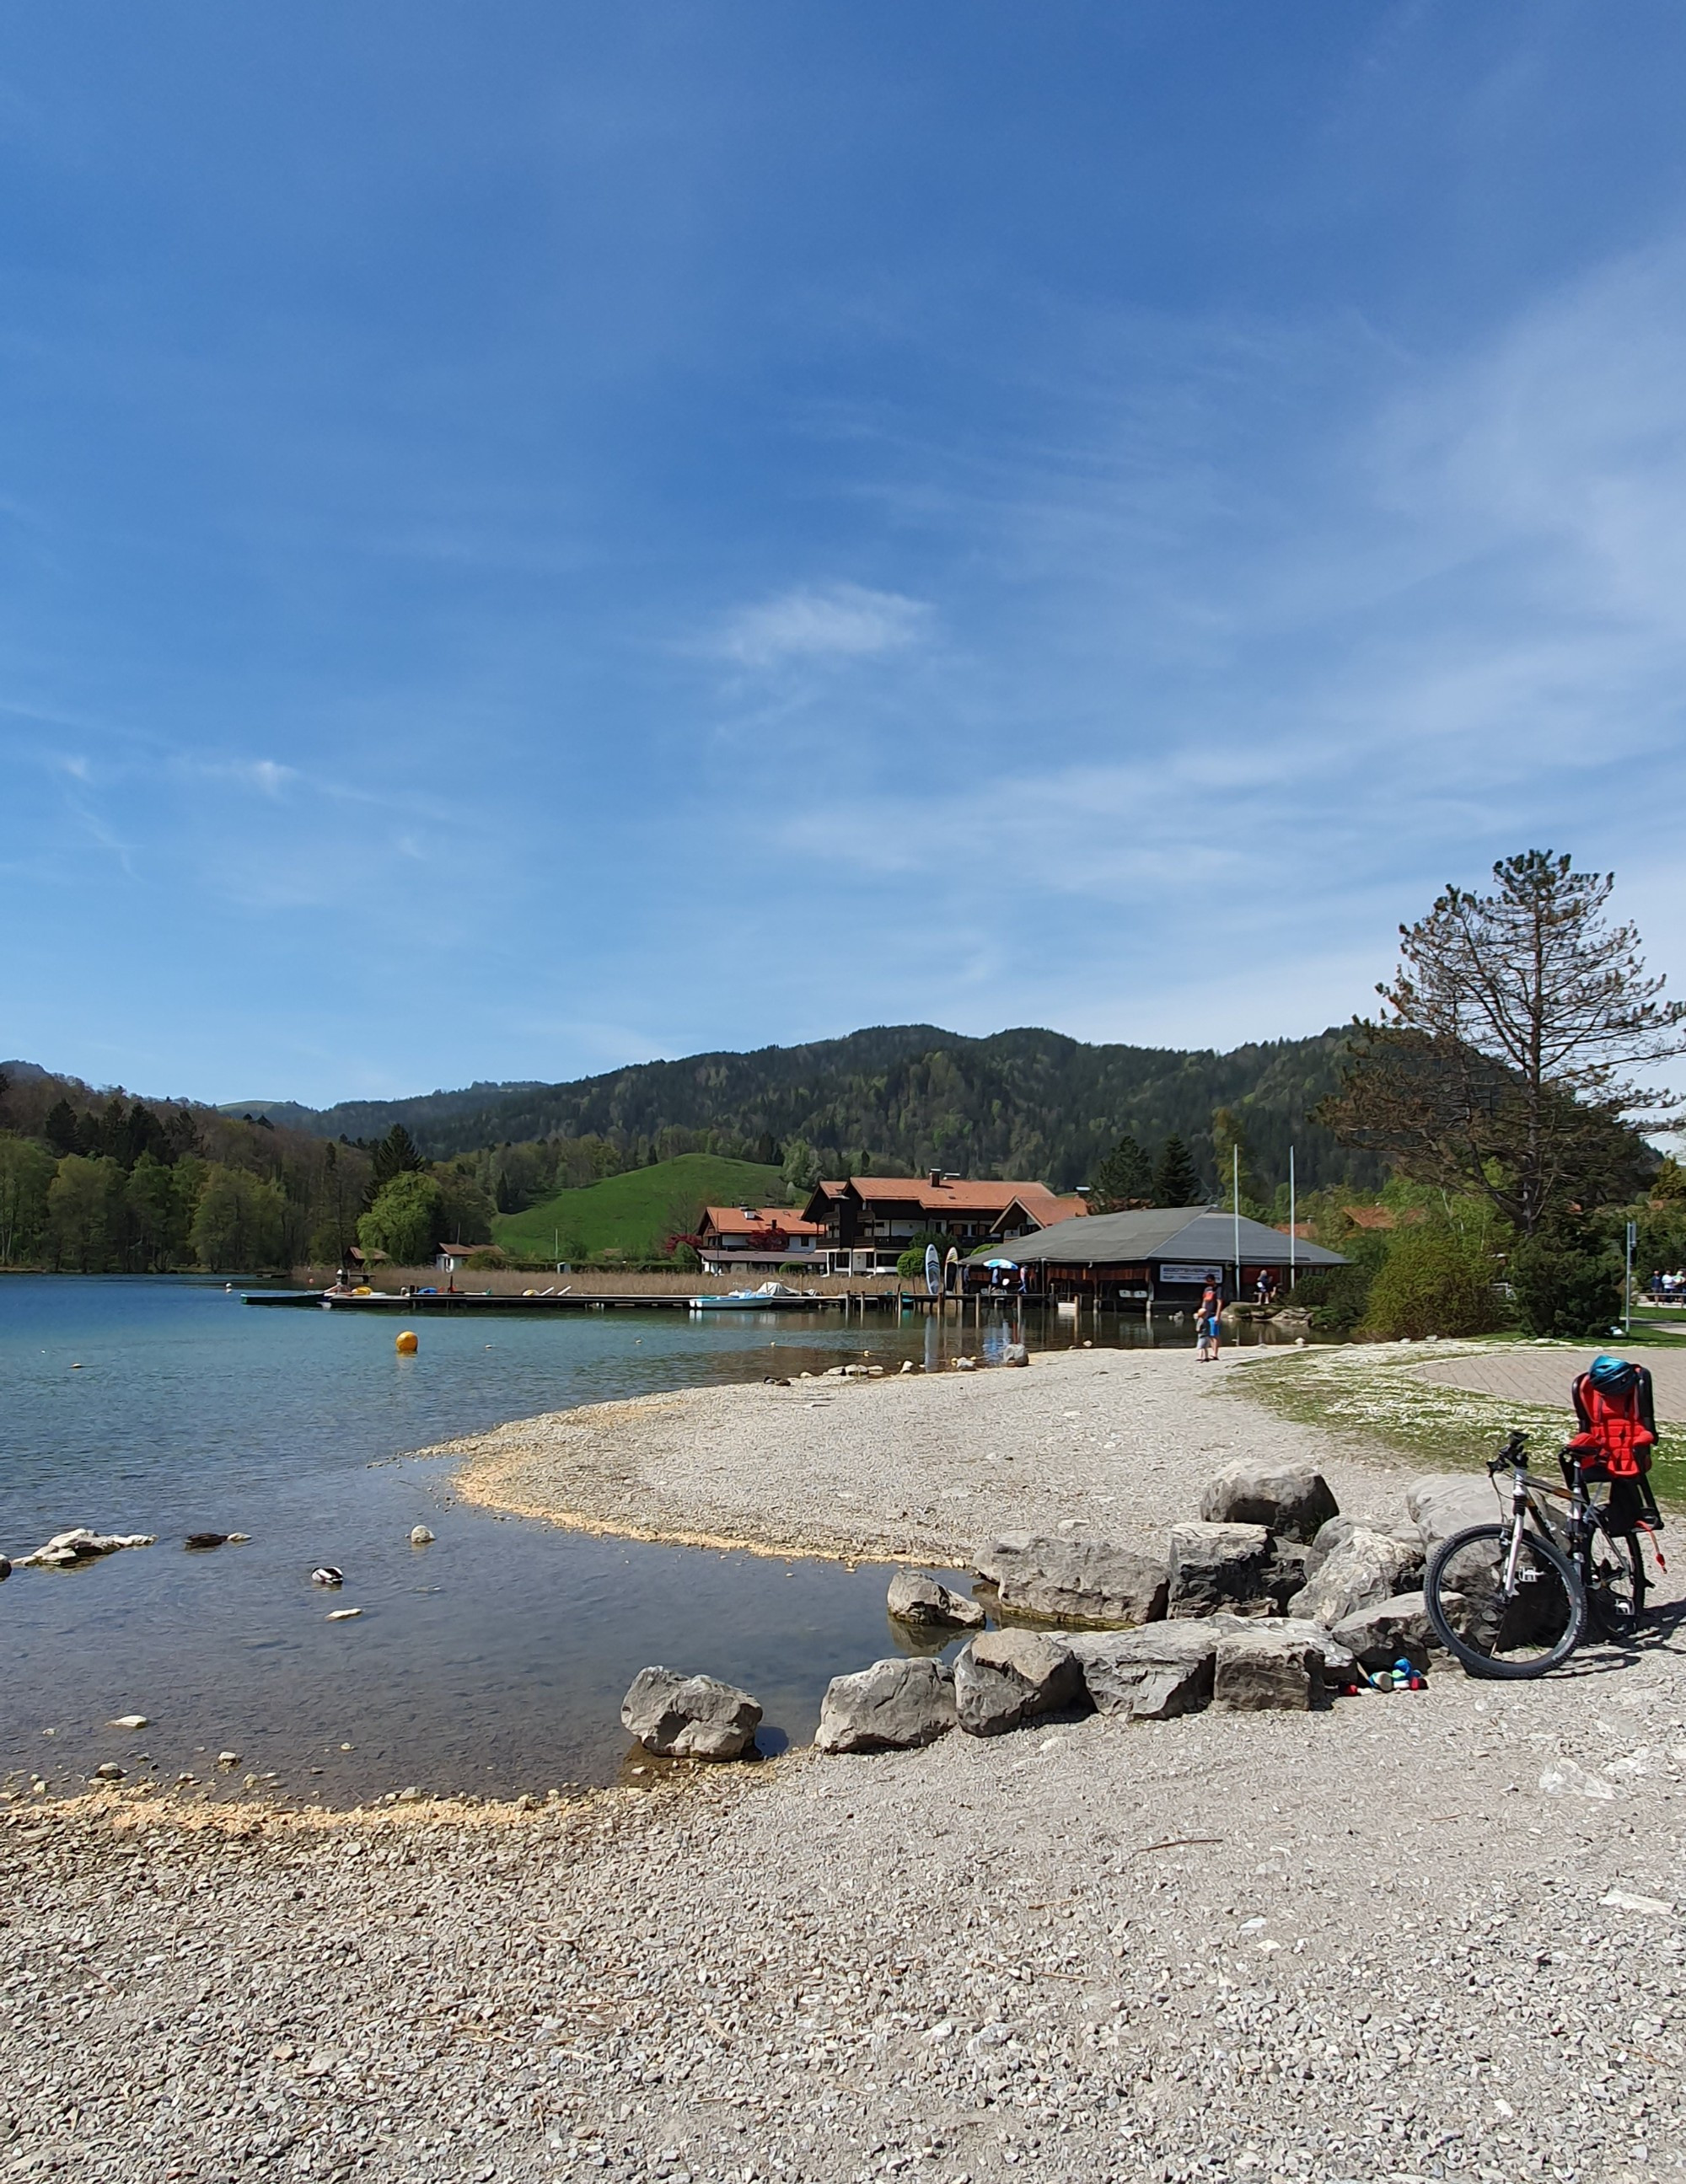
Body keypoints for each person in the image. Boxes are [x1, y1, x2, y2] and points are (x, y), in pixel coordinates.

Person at [1563, 1354, 1664, 1536]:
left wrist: (1644, 1439)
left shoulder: (1636, 1389)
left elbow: (1648, 1431)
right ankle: (1581, 1509)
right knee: (1568, 1459)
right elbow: (1586, 1429)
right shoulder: (1585, 1389)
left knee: (1625, 1474)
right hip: (1601, 1452)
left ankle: (1624, 1518)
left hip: (1630, 1453)